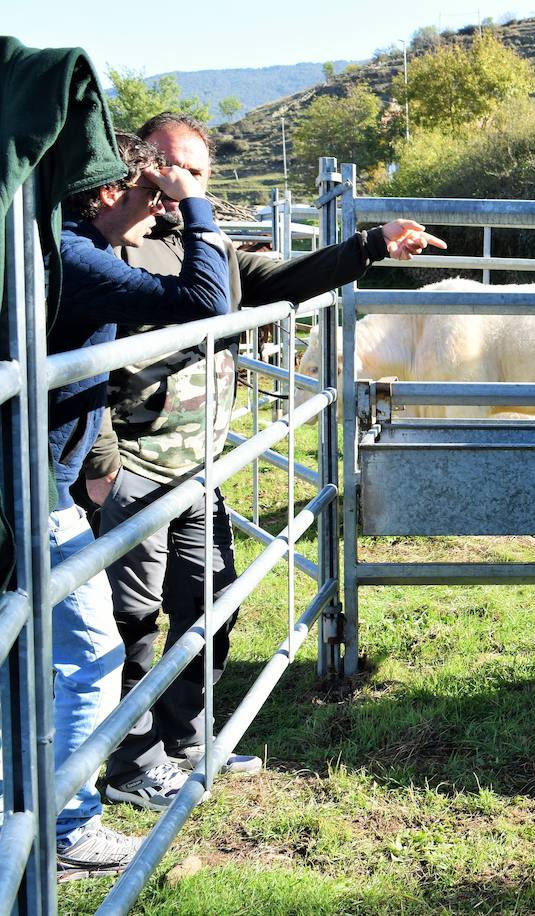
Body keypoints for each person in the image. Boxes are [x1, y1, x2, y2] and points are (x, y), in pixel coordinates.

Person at [83, 113, 445, 810]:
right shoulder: (117, 244)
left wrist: (370, 244)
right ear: (140, 163)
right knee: (130, 624)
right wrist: (102, 461)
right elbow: (84, 358)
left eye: (196, 172)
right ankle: (130, 764)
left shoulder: (203, 249)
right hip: (136, 466)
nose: (180, 182)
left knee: (210, 604)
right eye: (168, 165)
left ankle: (187, 742)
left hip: (202, 469)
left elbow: (284, 277)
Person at [51, 131, 231, 878]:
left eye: (173, 194)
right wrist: (198, 207)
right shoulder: (76, 255)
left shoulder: (67, 250)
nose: (163, 205)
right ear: (104, 193)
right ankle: (65, 827)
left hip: (49, 473)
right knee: (92, 646)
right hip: (38, 480)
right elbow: (208, 298)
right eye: (153, 192)